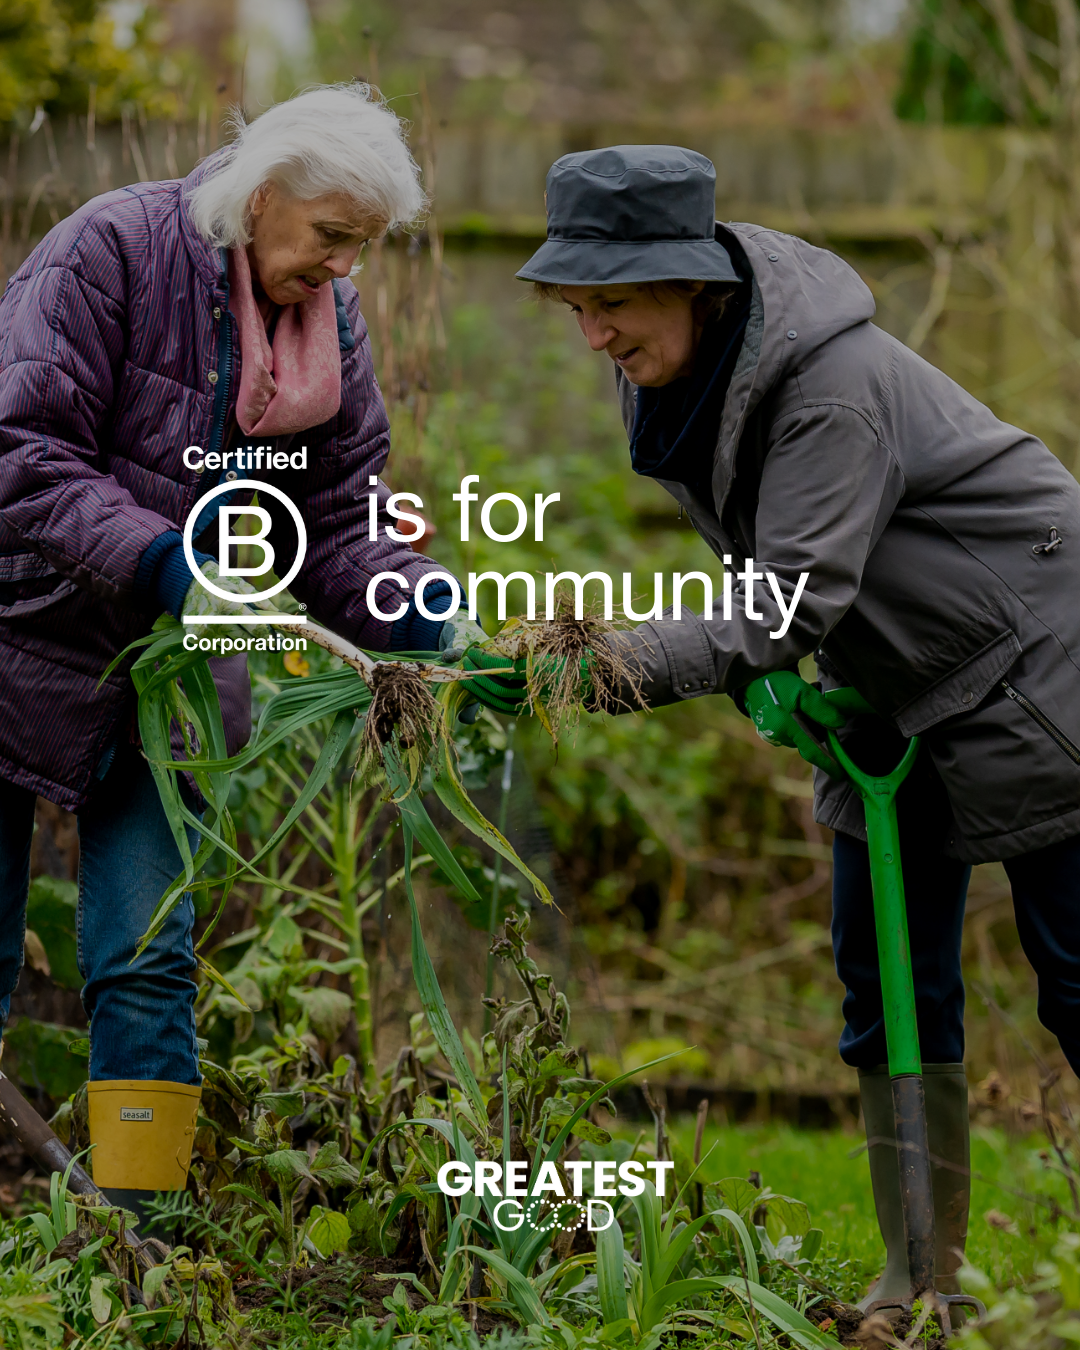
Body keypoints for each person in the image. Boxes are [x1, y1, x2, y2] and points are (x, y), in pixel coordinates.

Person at [463, 143, 1080, 1310]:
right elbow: (782, 591)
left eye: (613, 305)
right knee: (884, 979)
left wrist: (599, 665)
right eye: (577, 309)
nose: (592, 336)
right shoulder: (682, 369)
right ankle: (920, 1287)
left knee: (1076, 972)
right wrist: (766, 671)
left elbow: (782, 599)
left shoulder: (830, 387)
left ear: (694, 282)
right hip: (895, 683)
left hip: (1036, 659)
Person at [0, 84, 480, 1223]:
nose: (343, 268)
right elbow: (20, 452)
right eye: (330, 238)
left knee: (146, 949)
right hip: (20, 641)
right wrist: (169, 564)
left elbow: (338, 520)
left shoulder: (328, 325)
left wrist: (422, 611)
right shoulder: (108, 253)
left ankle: (137, 1238)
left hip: (174, 669)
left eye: (361, 246)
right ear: (262, 198)